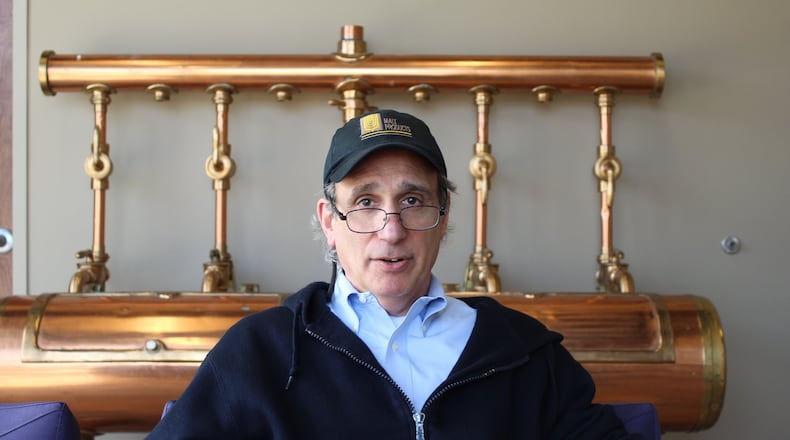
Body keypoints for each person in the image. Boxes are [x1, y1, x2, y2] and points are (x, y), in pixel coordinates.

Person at [148, 109, 638, 439]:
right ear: (329, 222)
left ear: (443, 217)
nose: (392, 230)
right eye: (365, 203)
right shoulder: (260, 351)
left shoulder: (524, 353)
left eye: (412, 201)